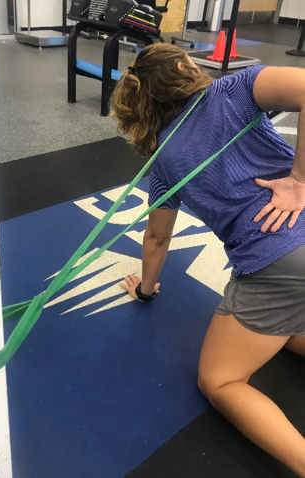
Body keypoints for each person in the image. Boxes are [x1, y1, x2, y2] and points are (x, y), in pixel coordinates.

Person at [111, 43, 305, 477]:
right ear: (183, 66)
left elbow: (157, 239)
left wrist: (145, 291)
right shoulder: (233, 90)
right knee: (291, 330)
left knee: (219, 381)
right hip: (296, 261)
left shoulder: (162, 163)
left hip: (277, 262)